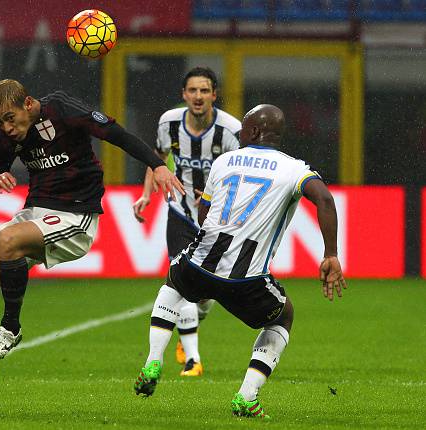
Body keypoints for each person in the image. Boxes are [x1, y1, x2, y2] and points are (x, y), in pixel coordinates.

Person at [0, 79, 184, 399]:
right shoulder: (5, 132)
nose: (7, 128)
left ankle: (11, 327)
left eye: (10, 119)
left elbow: (118, 135)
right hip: (36, 213)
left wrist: (157, 165)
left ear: (28, 103)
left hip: (76, 215)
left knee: (8, 238)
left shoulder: (63, 110)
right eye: (0, 122)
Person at [133, 104, 346, 419]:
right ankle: (247, 397)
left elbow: (204, 214)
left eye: (245, 128)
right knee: (282, 317)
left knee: (174, 282)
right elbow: (325, 199)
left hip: (201, 261)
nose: (240, 132)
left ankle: (153, 359)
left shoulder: (224, 161)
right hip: (246, 278)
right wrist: (330, 253)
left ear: (256, 132)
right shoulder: (294, 169)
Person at [132, 67, 241, 376]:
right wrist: (146, 195)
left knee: (207, 295)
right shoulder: (169, 122)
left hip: (217, 217)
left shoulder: (230, 131)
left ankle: (192, 324)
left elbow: (239, 176)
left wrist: (214, 197)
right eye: (192, 90)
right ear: (184, 95)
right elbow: (157, 159)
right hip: (179, 211)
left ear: (214, 96)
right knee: (182, 280)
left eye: (204, 91)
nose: (198, 96)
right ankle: (193, 359)